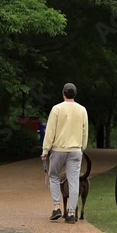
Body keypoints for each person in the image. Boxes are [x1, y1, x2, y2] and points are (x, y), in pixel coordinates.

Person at [41, 83, 88, 224]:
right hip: (75, 149)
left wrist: (45, 150)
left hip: (58, 149)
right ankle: (72, 212)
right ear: (75, 94)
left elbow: (50, 131)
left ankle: (56, 207)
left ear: (63, 93)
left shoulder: (57, 109)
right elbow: (85, 131)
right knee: (74, 181)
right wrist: (82, 147)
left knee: (53, 176)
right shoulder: (82, 110)